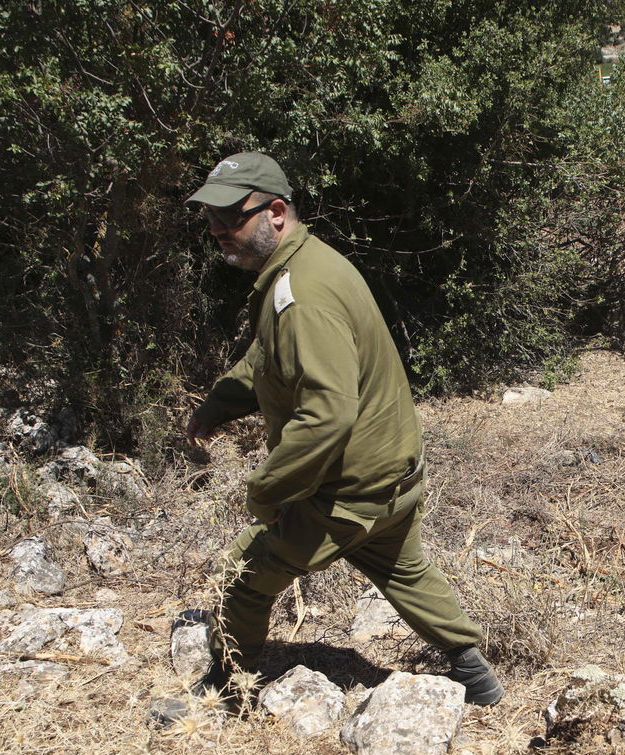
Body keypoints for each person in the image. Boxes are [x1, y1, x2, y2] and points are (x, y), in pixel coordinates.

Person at [157, 152, 504, 722]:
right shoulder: (306, 268)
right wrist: (220, 403)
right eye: (210, 219)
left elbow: (327, 415)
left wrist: (266, 489)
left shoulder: (304, 295)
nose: (218, 231)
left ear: (274, 211)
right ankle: (474, 673)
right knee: (400, 567)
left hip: (346, 489)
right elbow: (272, 361)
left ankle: (228, 687)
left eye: (230, 217)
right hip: (390, 474)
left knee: (241, 576)